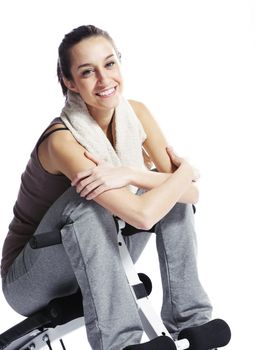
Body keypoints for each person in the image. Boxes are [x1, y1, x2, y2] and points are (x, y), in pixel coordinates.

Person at [1, 25, 212, 350]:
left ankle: (191, 321)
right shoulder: (62, 140)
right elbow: (142, 216)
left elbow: (190, 195)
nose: (104, 80)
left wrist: (133, 174)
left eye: (110, 64)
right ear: (69, 82)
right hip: (32, 276)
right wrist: (185, 172)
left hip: (103, 249)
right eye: (87, 72)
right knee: (87, 197)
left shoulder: (137, 113)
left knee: (168, 193)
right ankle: (120, 343)